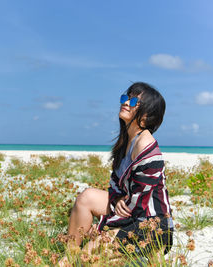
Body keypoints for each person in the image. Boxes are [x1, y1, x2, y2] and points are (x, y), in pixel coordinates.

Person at [66, 82, 173, 260]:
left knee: (88, 256)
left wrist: (102, 227)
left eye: (133, 102)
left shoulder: (147, 149)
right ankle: (69, 255)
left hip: (150, 224)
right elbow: (114, 181)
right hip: (128, 209)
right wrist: (116, 198)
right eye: (126, 98)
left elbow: (139, 207)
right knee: (86, 197)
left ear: (146, 117)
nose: (125, 103)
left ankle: (77, 258)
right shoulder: (126, 142)